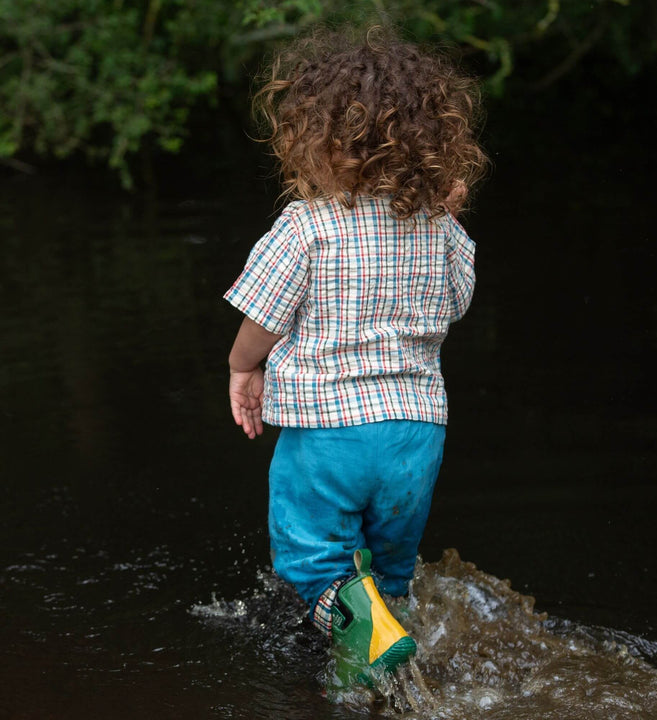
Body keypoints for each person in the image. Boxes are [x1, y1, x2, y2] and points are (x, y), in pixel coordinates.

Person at [224, 26, 487, 687]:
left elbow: (263, 318)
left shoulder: (305, 225)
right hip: (416, 434)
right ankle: (370, 677)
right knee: (391, 576)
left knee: (312, 569)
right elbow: (457, 303)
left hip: (327, 435)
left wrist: (242, 367)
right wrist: (449, 215)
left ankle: (359, 645)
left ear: (316, 139)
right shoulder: (439, 228)